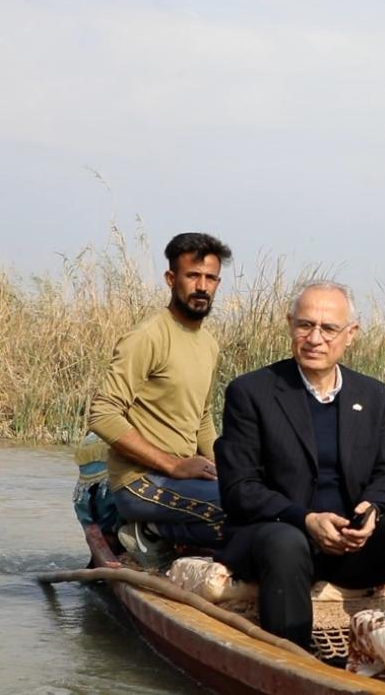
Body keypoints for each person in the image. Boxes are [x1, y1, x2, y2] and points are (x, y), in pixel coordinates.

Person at [214, 281, 385, 654]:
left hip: (349, 544)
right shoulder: (251, 392)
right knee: (285, 542)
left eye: (328, 328)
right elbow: (240, 488)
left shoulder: (375, 397)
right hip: (277, 539)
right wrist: (305, 519)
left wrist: (372, 511)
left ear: (350, 335)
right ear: (290, 325)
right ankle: (293, 660)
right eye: (305, 325)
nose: (314, 338)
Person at [87, 232, 232, 568]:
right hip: (140, 483)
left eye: (210, 278)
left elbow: (202, 421)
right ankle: (150, 530)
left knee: (258, 500)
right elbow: (103, 415)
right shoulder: (147, 337)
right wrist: (174, 465)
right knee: (238, 512)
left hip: (183, 480)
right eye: (192, 276)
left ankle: (166, 533)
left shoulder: (208, 343)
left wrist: (231, 471)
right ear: (171, 279)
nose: (201, 286)